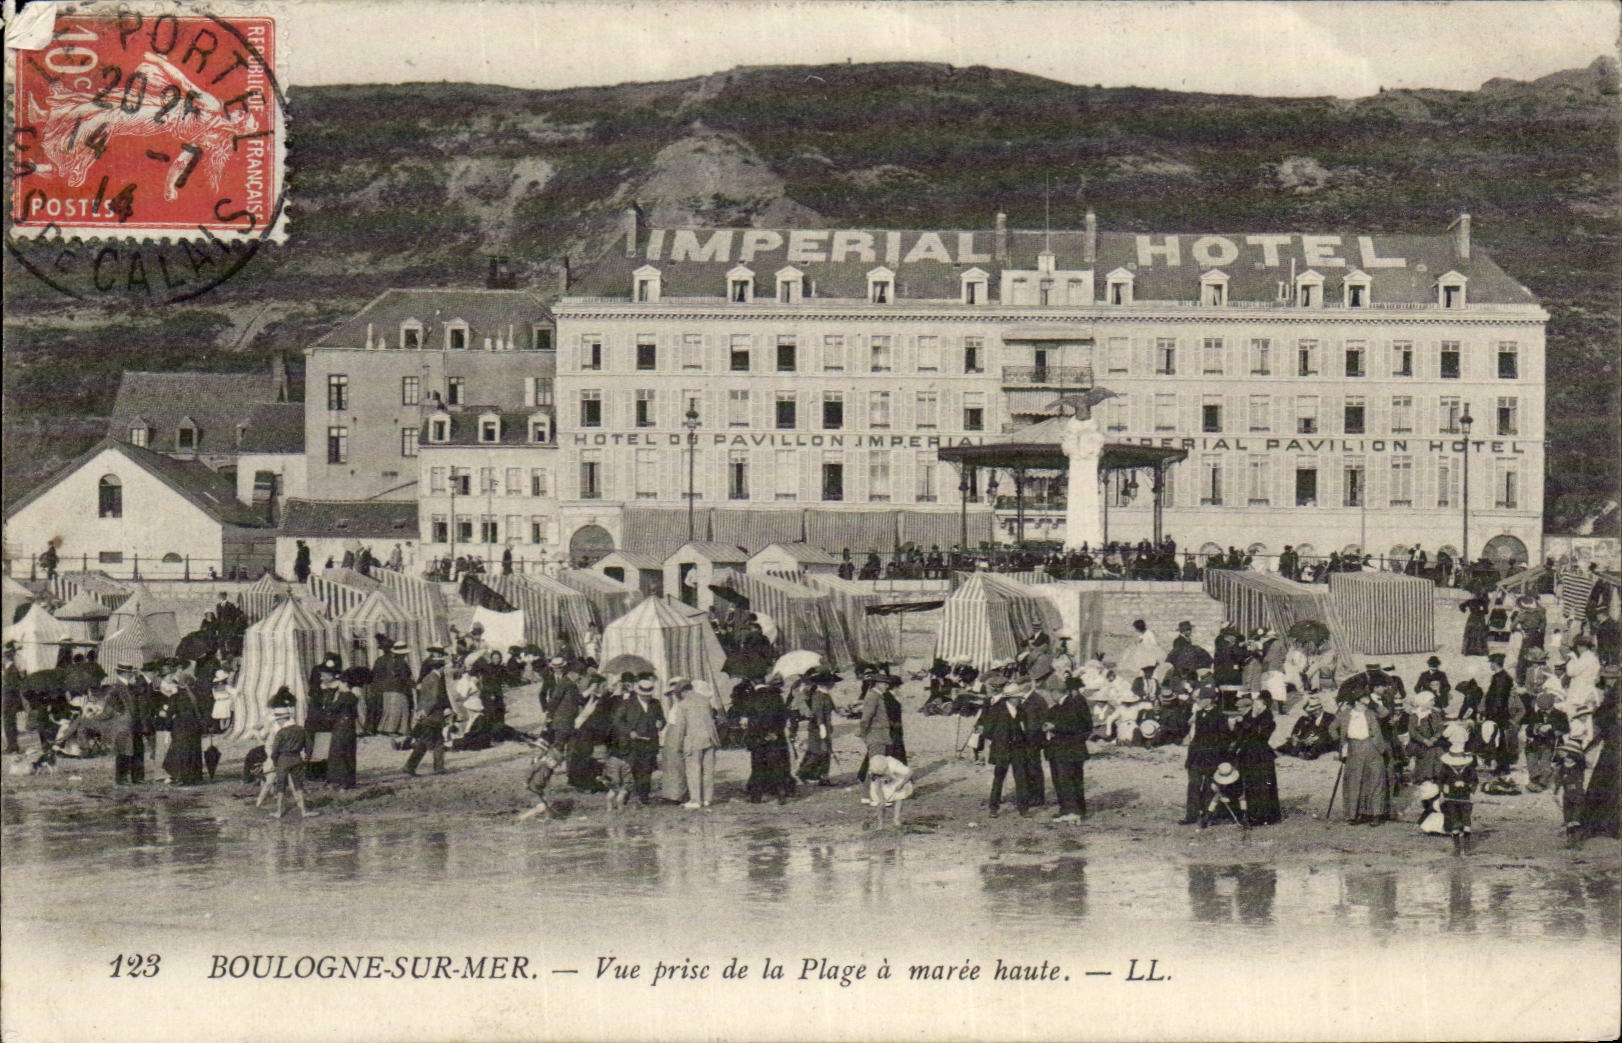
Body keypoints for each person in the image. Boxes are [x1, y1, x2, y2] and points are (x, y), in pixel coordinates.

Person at [972, 676, 1037, 817]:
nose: (1019, 699)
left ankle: (1023, 809)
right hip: (1001, 749)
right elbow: (988, 731)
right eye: (1017, 697)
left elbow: (1024, 728)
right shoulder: (996, 710)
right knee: (999, 778)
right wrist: (1000, 738)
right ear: (1010, 698)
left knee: (1021, 778)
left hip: (1018, 749)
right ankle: (993, 808)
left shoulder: (1021, 710)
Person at [1333, 686, 1392, 825]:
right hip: (1353, 748)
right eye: (1366, 697)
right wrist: (1340, 742)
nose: (1368, 698)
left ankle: (1376, 814)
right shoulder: (1346, 713)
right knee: (1355, 781)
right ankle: (1355, 814)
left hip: (1372, 746)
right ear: (1358, 700)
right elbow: (1331, 727)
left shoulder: (1371, 712)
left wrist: (1373, 702)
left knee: (1376, 779)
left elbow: (1385, 713)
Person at [256, 689, 316, 818]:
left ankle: (269, 807)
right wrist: (306, 758)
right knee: (294, 784)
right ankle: (302, 809)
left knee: (275, 782)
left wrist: (274, 759)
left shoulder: (277, 726)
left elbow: (272, 745)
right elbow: (308, 745)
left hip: (279, 756)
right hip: (289, 756)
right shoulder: (295, 725)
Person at [664, 680, 720, 809]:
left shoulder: (683, 704)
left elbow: (681, 727)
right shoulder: (705, 701)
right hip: (710, 739)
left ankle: (695, 800)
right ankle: (707, 799)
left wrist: (677, 746)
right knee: (708, 771)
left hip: (693, 741)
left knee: (693, 770)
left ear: (683, 692)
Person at [1043, 676, 1092, 823]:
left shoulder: (1072, 704)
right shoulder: (1061, 706)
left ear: (1055, 692)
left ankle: (1071, 811)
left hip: (1067, 750)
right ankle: (1072, 810)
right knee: (1071, 780)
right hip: (1067, 750)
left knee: (1067, 781)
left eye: (1051, 692)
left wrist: (1055, 727)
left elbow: (1078, 726)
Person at [610, 673, 664, 806]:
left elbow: (663, 719)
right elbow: (617, 722)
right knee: (629, 771)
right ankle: (623, 799)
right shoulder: (627, 704)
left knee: (646, 771)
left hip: (649, 743)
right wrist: (629, 732)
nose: (647, 696)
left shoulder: (655, 703)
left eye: (649, 694)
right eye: (644, 694)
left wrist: (660, 723)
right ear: (639, 692)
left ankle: (644, 798)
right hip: (632, 744)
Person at [739, 678, 795, 804]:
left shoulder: (751, 697)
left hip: (758, 738)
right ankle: (781, 794)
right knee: (778, 765)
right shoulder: (776, 695)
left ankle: (756, 796)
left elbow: (747, 720)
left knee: (758, 767)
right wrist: (775, 732)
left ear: (753, 683)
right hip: (776, 737)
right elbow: (783, 716)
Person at [1230, 692, 1280, 825]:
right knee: (1255, 786)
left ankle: (1264, 816)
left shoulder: (1266, 717)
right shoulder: (1256, 716)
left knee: (1262, 786)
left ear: (1263, 704)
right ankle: (1257, 815)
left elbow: (1259, 735)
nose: (1254, 705)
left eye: (1257, 703)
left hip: (1261, 756)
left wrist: (1251, 719)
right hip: (1252, 755)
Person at [403, 646, 451, 776]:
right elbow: (434, 698)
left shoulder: (427, 678)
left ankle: (436, 767)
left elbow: (424, 697)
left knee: (433, 741)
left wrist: (421, 712)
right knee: (432, 741)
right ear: (440, 667)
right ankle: (412, 766)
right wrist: (426, 712)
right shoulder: (436, 679)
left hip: (428, 715)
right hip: (432, 715)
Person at [1437, 722, 1477, 855]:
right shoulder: (1446, 768)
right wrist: (1443, 790)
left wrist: (1471, 790)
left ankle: (1467, 846)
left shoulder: (1469, 768)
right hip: (1451, 797)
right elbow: (1440, 780)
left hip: (1465, 797)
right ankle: (1457, 847)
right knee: (1454, 821)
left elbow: (1474, 780)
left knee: (1466, 820)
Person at [161, 674, 207, 785]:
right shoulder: (197, 696)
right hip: (194, 726)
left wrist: (167, 728)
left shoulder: (175, 697)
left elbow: (169, 715)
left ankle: (179, 776)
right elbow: (203, 711)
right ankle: (194, 776)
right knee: (193, 750)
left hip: (180, 726)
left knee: (179, 751)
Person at [795, 669, 838, 786]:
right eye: (831, 682)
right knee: (817, 752)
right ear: (825, 683)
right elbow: (817, 712)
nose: (833, 684)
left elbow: (832, 708)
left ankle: (823, 777)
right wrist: (821, 726)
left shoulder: (826, 695)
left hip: (826, 727)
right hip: (817, 727)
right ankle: (802, 774)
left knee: (826, 752)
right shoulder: (818, 696)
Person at [326, 675, 360, 789]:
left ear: (344, 683)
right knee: (349, 752)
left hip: (341, 727)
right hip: (350, 727)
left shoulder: (343, 696)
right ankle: (350, 780)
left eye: (339, 683)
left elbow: (332, 709)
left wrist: (333, 700)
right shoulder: (353, 696)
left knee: (339, 752)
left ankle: (340, 780)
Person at [1405, 689, 1445, 784]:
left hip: (1434, 741)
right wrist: (1424, 740)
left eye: (1433, 700)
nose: (1433, 702)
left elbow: (1440, 728)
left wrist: (1434, 738)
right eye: (1431, 700)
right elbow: (1412, 732)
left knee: (1439, 752)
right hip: (1420, 743)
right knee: (1427, 753)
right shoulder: (1415, 715)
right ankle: (1423, 777)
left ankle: (1436, 777)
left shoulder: (1435, 714)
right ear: (1424, 701)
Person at [1280, 694, 1337, 760]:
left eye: (1316, 710)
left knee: (1320, 741)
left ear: (1321, 709)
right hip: (1314, 739)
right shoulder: (1313, 718)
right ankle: (1291, 752)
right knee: (1301, 740)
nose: (1314, 712)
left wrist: (1315, 737)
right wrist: (1309, 737)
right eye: (1313, 711)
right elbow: (1310, 730)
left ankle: (1309, 755)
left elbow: (1329, 732)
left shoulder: (1329, 717)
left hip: (1326, 740)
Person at [864, 753, 913, 828]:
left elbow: (909, 772)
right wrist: (882, 799)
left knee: (899, 797)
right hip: (882, 785)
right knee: (880, 803)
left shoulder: (894, 764)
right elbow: (877, 787)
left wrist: (902, 784)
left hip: (897, 780)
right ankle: (880, 824)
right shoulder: (873, 769)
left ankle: (896, 819)